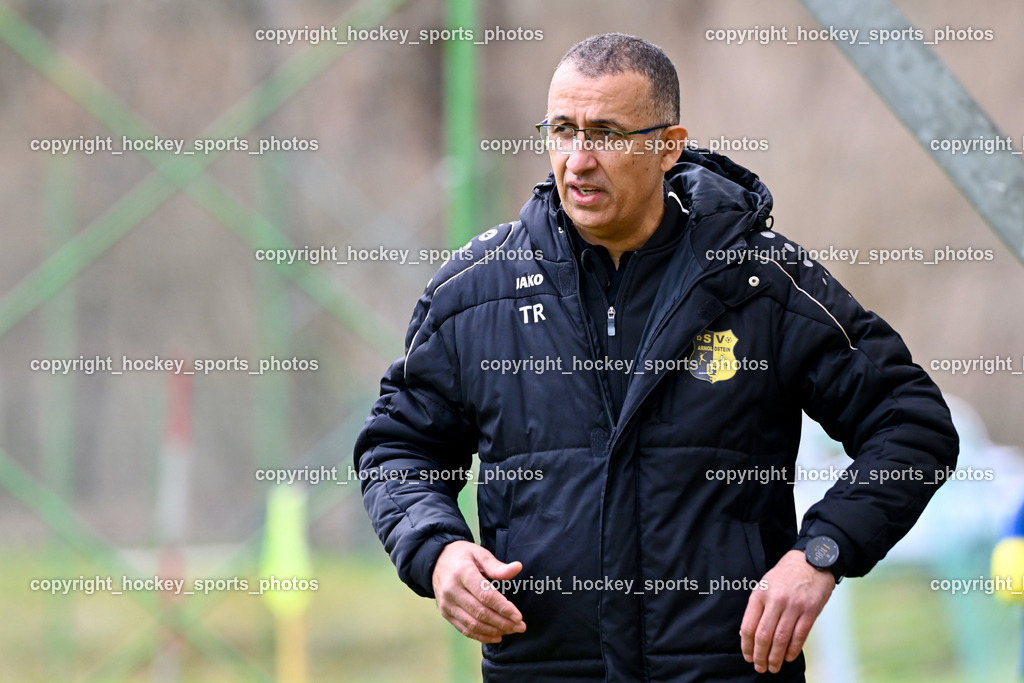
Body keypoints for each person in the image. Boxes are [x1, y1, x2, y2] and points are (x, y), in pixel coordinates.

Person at [354, 32, 959, 682]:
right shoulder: (475, 291)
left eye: (607, 134)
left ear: (668, 146)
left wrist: (822, 551)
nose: (578, 160)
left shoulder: (760, 282)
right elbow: (399, 449)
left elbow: (911, 426)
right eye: (562, 129)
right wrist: (438, 550)